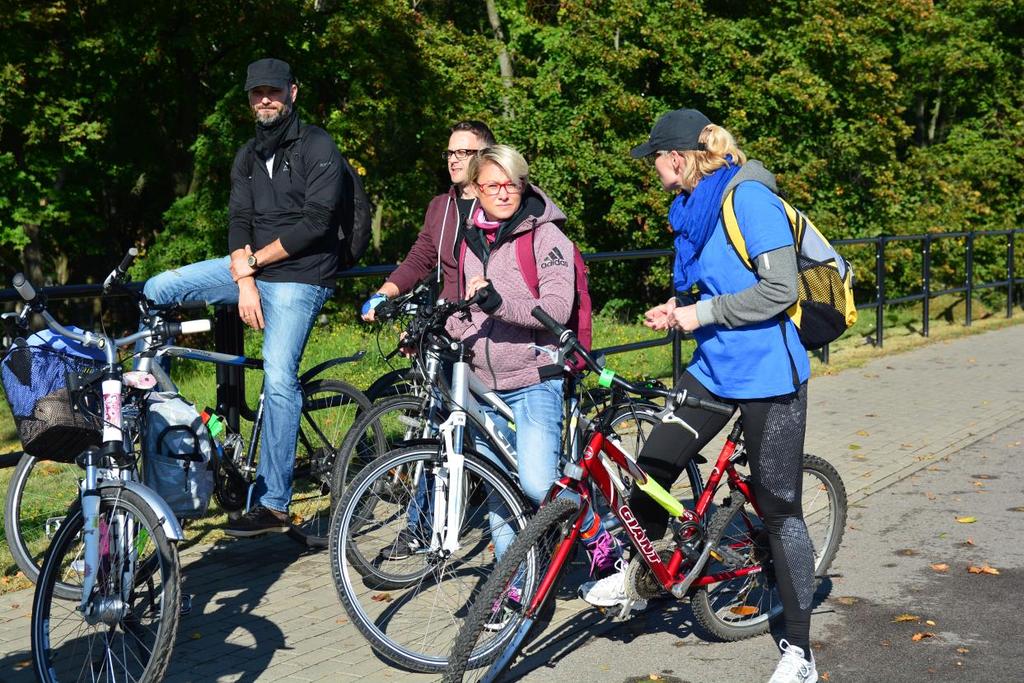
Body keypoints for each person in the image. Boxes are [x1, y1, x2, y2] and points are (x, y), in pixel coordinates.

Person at [577, 109, 818, 683]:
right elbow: (710, 284)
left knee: (779, 507)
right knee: (654, 463)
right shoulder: (691, 208)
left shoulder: (748, 199)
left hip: (769, 376)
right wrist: (677, 310)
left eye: (655, 158)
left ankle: (801, 653)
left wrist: (698, 312)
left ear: (679, 158)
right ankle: (638, 568)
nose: (652, 168)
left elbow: (780, 290)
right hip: (714, 368)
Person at [142, 58, 346, 537]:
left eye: (273, 91)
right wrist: (245, 279)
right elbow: (238, 222)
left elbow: (316, 224)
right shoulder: (247, 156)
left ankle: (273, 502)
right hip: (250, 272)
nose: (265, 100)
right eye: (257, 93)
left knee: (277, 379)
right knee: (156, 290)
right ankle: (161, 414)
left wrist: (252, 266)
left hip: (301, 276)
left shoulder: (318, 145)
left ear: (292, 92)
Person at [450, 145, 620, 597]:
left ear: (523, 184)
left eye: (511, 184)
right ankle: (515, 586)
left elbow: (557, 307)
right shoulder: (470, 238)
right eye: (492, 185)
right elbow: (472, 308)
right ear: (476, 190)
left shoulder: (546, 238)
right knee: (498, 493)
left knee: (537, 483)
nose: (502, 193)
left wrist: (501, 305)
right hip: (484, 385)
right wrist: (442, 324)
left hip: (534, 379)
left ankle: (596, 533)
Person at [360, 120, 497, 320]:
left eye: (462, 153)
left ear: (485, 156)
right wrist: (382, 295)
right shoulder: (440, 208)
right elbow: (419, 260)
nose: (453, 160)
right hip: (450, 317)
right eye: (450, 153)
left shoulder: (501, 204)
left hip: (494, 317)